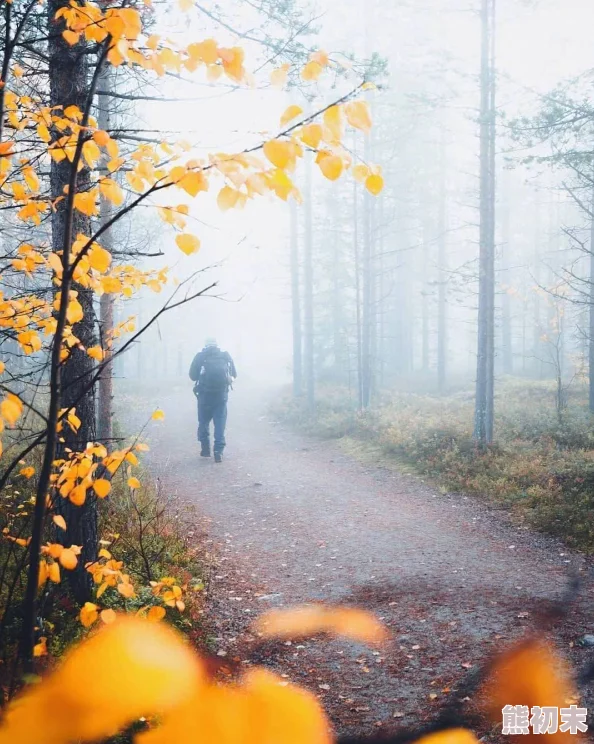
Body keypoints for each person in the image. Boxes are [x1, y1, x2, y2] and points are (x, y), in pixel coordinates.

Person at [189, 338, 237, 463]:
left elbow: (192, 376)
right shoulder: (225, 355)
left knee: (203, 421)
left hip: (204, 396)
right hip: (221, 396)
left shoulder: (200, 356)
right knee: (220, 423)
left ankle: (205, 449)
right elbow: (234, 374)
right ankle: (218, 452)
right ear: (217, 345)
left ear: (205, 345)